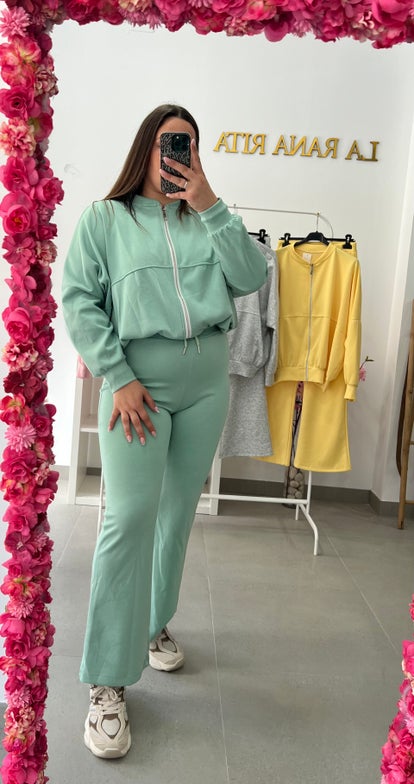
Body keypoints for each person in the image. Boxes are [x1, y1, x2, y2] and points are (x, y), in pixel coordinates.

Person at [62, 104, 268, 760]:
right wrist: (117, 374)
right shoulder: (105, 219)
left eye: (187, 146)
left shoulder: (209, 217)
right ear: (144, 151)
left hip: (206, 381)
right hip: (137, 386)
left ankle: (150, 624)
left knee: (178, 515)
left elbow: (252, 277)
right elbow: (78, 299)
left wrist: (208, 203)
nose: (176, 156)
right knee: (128, 518)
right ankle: (107, 680)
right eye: (166, 144)